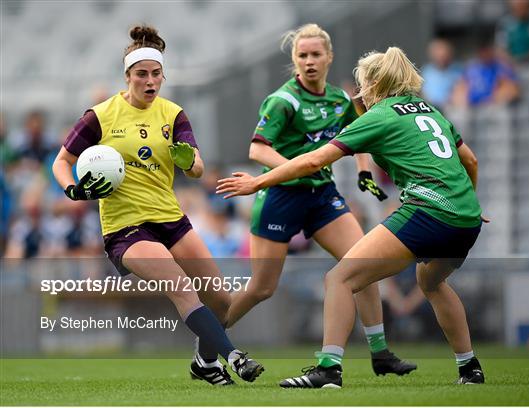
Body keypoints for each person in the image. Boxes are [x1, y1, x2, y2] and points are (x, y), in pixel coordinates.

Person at [217, 46, 487, 387]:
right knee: (431, 282)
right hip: (467, 218)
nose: (360, 93)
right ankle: (469, 368)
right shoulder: (430, 111)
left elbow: (314, 161)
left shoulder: (381, 114)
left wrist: (258, 180)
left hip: (427, 210)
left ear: (374, 83)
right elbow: (471, 161)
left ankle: (328, 369)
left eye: (363, 85)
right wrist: (468, 203)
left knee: (339, 279)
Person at [51, 25, 263, 386]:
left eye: (156, 74)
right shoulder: (100, 116)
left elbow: (196, 168)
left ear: (163, 76)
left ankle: (204, 362)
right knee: (181, 287)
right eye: (141, 75)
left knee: (222, 301)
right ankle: (234, 356)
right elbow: (61, 161)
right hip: (125, 227)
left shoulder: (173, 114)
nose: (150, 81)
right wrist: (73, 191)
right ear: (127, 76)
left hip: (171, 218)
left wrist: (188, 161)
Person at [225, 23, 415, 377]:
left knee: (363, 264)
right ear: (295, 60)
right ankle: (209, 343)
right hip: (281, 197)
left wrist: (363, 171)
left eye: (315, 54)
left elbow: (357, 137)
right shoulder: (284, 100)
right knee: (262, 287)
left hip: (322, 195)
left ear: (329, 57)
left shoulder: (340, 99)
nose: (309, 61)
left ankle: (380, 353)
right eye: (302, 55)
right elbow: (257, 148)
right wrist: (296, 169)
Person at [421, 38, 463, 111]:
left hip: (450, 107)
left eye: (444, 55)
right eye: (438, 55)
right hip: (429, 106)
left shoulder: (457, 71)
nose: (441, 58)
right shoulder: (426, 71)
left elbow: (460, 92)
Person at [496, 0, 529, 64]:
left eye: (525, 7)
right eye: (519, 7)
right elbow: (500, 50)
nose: (522, 11)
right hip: (513, 64)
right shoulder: (505, 24)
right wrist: (512, 62)